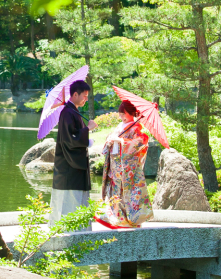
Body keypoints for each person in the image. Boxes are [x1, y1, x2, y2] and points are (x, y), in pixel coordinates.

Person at [96, 100, 154, 228]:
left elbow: (140, 143)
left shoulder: (135, 128)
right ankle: (115, 216)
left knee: (125, 191)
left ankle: (127, 219)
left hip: (126, 166)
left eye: (124, 114)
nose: (122, 117)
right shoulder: (120, 126)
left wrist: (121, 140)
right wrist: (110, 140)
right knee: (114, 190)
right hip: (114, 162)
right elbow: (110, 140)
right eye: (120, 114)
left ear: (132, 113)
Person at [49, 80, 97, 229]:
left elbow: (74, 137)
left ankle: (77, 228)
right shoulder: (68, 113)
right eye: (84, 96)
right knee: (69, 199)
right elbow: (71, 140)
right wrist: (88, 128)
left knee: (75, 199)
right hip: (69, 167)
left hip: (73, 165)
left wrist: (87, 139)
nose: (85, 99)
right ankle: (71, 229)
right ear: (75, 94)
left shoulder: (72, 112)